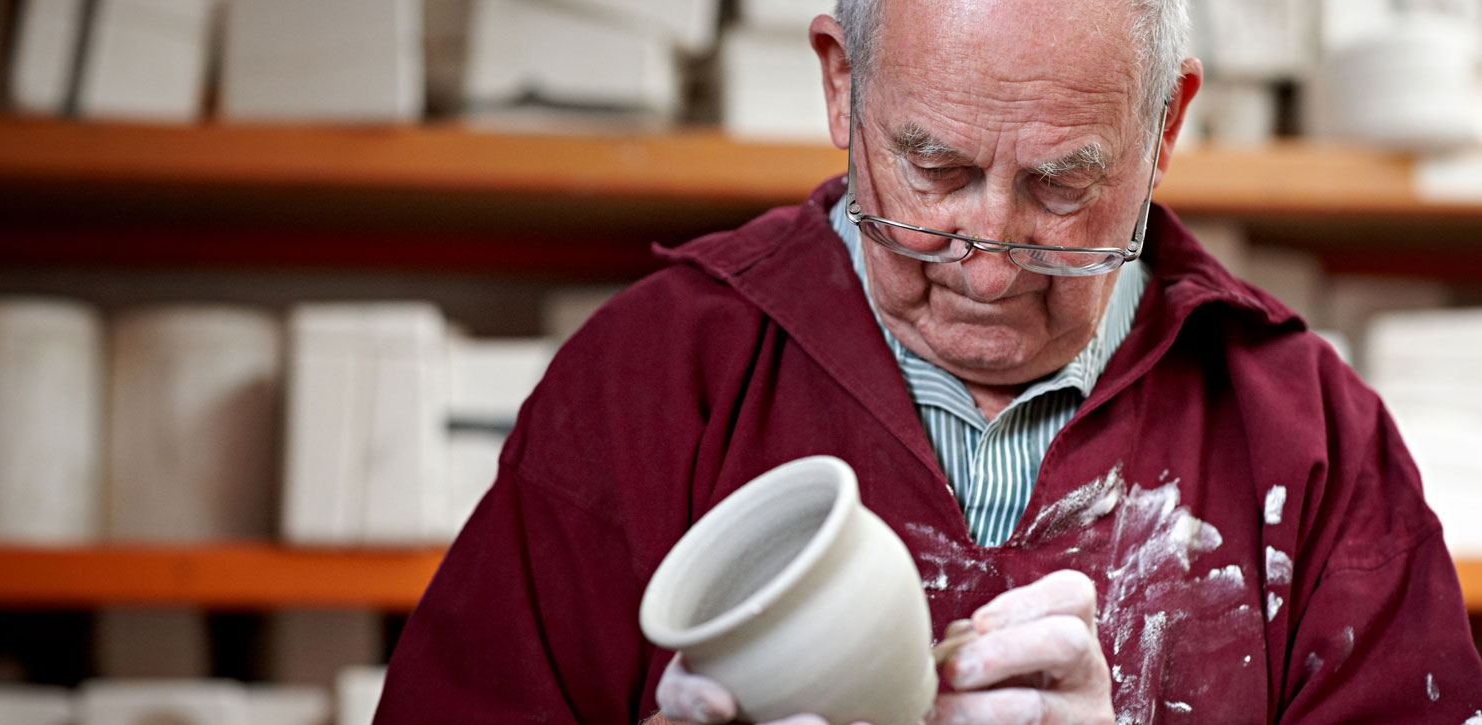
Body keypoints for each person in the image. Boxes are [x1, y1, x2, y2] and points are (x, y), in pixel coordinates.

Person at [375, 0, 1482, 722]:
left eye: (1062, 187)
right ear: (839, 86)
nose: (989, 267)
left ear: (1166, 127)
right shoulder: (654, 383)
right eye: (934, 171)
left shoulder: (1310, 443)